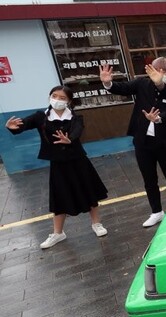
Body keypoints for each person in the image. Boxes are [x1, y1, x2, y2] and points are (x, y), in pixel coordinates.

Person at [5, 86, 108, 249]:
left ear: (69, 101)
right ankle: (58, 233)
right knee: (59, 196)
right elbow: (23, 125)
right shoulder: (41, 117)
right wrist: (12, 127)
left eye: (62, 97)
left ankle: (97, 224)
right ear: (49, 97)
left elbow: (77, 131)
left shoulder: (75, 117)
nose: (57, 100)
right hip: (58, 164)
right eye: (54, 96)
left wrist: (70, 139)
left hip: (78, 160)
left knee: (89, 191)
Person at [100, 58, 166, 228]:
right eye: (157, 70)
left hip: (165, 142)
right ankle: (156, 212)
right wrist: (108, 83)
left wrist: (158, 118)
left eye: (165, 71)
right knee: (149, 178)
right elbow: (122, 88)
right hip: (142, 141)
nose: (160, 74)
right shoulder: (142, 84)